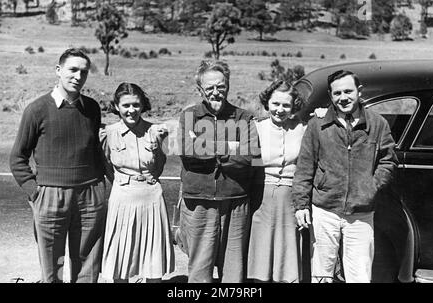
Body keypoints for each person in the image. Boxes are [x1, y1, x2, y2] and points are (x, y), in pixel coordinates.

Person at [9, 48, 107, 283]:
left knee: (88, 265)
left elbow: (93, 150)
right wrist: (36, 193)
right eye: (72, 70)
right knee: (52, 266)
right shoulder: (37, 109)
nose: (78, 76)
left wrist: (102, 189)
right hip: (50, 194)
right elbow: (17, 158)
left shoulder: (92, 108)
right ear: (58, 70)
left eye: (83, 72)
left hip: (90, 194)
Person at [292, 70, 398, 283]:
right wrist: (301, 204)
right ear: (331, 96)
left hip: (361, 213)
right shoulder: (318, 125)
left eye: (348, 91)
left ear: (359, 92)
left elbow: (388, 160)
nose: (343, 98)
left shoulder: (378, 124)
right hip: (324, 209)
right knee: (322, 272)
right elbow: (305, 166)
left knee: (359, 273)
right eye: (337, 93)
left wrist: (371, 186)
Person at [176, 60, 259, 283]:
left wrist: (207, 145)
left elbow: (251, 157)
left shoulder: (244, 117)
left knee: (233, 271)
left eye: (221, 86)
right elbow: (187, 152)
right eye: (210, 87)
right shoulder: (189, 116)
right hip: (199, 200)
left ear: (228, 85)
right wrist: (231, 146)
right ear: (200, 89)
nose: (216, 92)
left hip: (235, 199)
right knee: (200, 270)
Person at [100, 82, 174, 283]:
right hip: (122, 197)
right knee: (120, 260)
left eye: (136, 105)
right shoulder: (108, 133)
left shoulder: (155, 132)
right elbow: (106, 166)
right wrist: (124, 182)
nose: (131, 110)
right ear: (116, 106)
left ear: (142, 106)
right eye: (125, 105)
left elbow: (159, 167)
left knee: (153, 260)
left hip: (151, 196)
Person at [247, 80, 307, 283]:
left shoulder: (303, 128)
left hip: (290, 199)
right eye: (275, 104)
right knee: (261, 257)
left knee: (287, 256)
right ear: (267, 103)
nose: (280, 110)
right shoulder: (255, 127)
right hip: (261, 199)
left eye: (286, 105)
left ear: (293, 106)